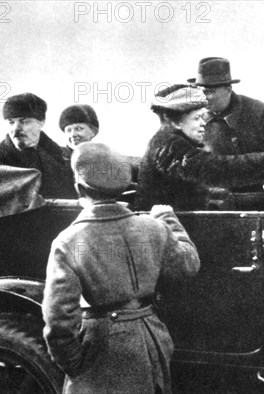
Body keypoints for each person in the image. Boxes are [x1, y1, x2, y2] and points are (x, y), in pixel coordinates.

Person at [42, 142, 200, 394]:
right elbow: (187, 265)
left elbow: (59, 320)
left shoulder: (70, 241)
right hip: (152, 338)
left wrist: (74, 364)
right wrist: (169, 219)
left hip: (101, 349)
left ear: (79, 188)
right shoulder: (153, 226)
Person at [136, 84, 264, 211]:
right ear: (173, 120)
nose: (204, 124)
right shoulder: (168, 145)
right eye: (196, 118)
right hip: (165, 232)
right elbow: (215, 168)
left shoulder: (171, 141)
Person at [187, 57, 264, 155]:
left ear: (228, 90)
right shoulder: (193, 118)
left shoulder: (256, 112)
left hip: (260, 182)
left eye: (209, 92)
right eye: (199, 92)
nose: (202, 98)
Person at [0, 92, 77, 198]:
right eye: (11, 122)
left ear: (41, 123)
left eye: (24, 122)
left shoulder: (64, 157)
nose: (16, 129)